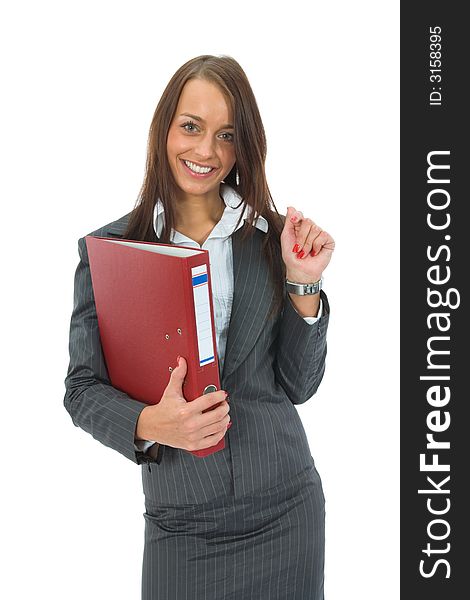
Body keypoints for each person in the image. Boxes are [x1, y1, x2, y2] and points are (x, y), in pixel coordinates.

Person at [64, 54, 335, 600]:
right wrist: (150, 423)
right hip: (183, 522)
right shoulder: (111, 251)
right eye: (191, 127)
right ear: (164, 128)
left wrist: (302, 281)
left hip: (285, 504)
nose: (206, 151)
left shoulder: (273, 237)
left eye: (226, 135)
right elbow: (80, 390)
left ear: (243, 147)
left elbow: (300, 386)